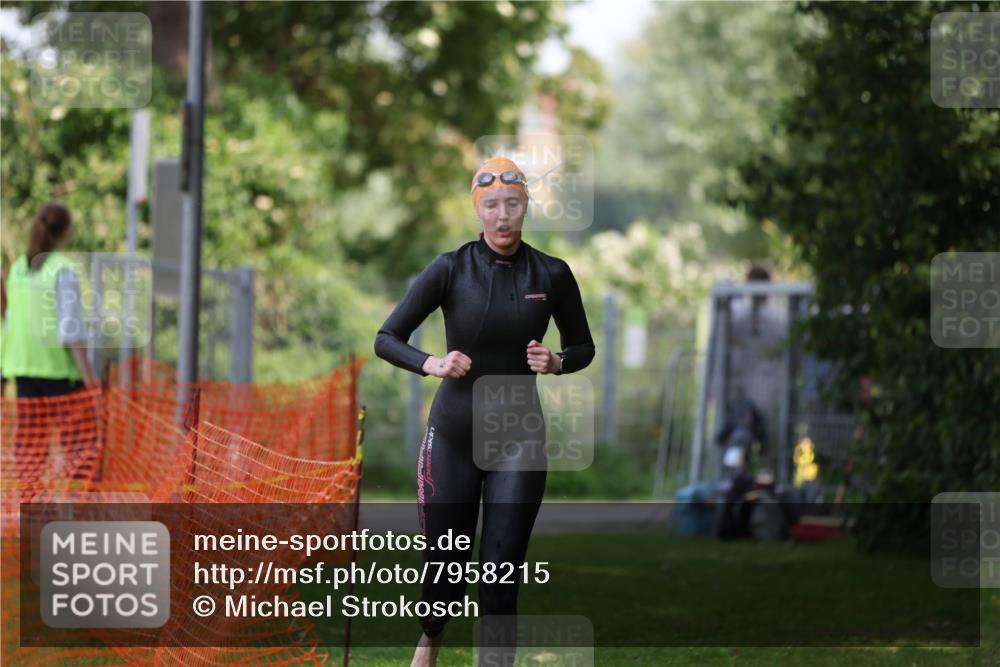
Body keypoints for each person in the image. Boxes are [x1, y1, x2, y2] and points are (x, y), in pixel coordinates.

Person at [374, 156, 595, 667]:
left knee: (500, 574)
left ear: (525, 209)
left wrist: (557, 361)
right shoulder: (450, 268)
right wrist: (431, 362)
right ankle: (429, 642)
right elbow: (387, 338)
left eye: (513, 205)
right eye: (492, 205)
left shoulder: (553, 273)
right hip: (453, 435)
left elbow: (584, 346)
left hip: (518, 438)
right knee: (445, 566)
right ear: (479, 211)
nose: (503, 216)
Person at [2, 203, 98, 481]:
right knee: (78, 447)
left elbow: (11, 316)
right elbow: (71, 328)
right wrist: (89, 377)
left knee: (30, 446)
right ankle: (74, 514)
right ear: (66, 231)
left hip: (23, 366)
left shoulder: (19, 267)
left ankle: (29, 511)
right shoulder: (62, 269)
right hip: (58, 371)